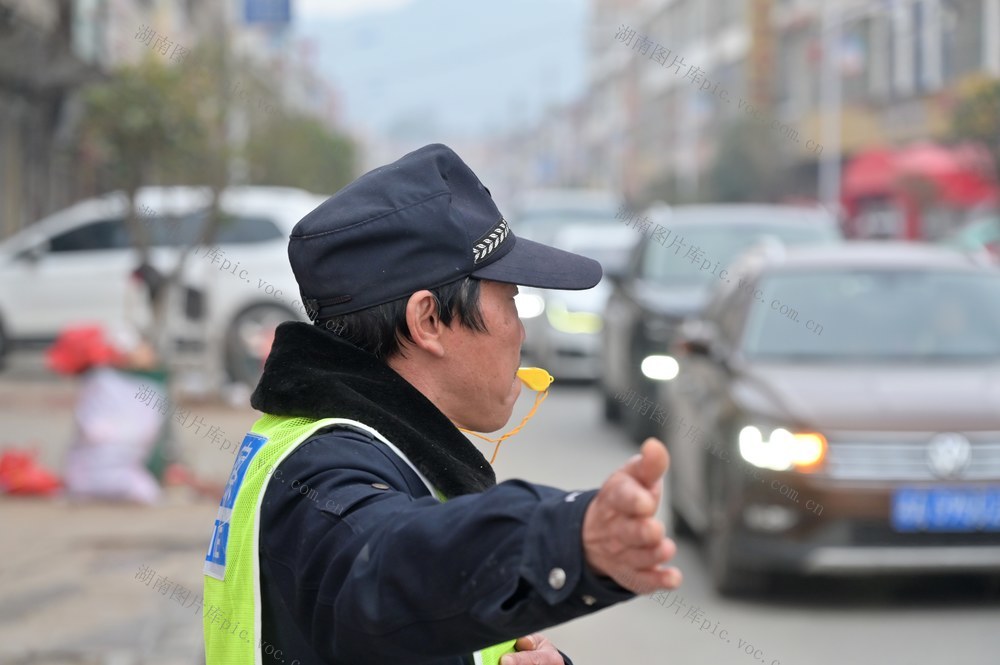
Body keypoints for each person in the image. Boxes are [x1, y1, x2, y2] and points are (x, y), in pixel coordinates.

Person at [202, 144, 682, 665]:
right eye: (511, 300)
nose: (520, 332)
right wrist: (562, 537)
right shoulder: (321, 468)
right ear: (428, 320)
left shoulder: (350, 443)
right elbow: (383, 570)